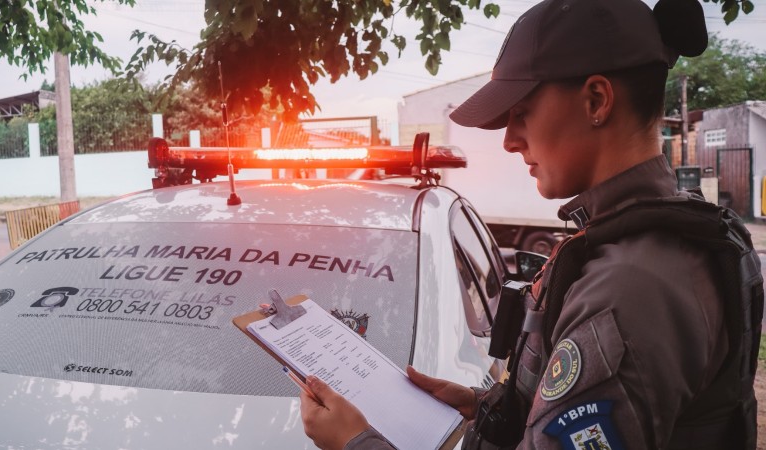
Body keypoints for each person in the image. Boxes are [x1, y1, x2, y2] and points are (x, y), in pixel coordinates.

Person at [300, 0, 763, 448]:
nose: (509, 141)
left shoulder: (628, 291)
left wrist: (355, 444)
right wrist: (481, 406)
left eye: (521, 113)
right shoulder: (660, 242)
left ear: (597, 100)